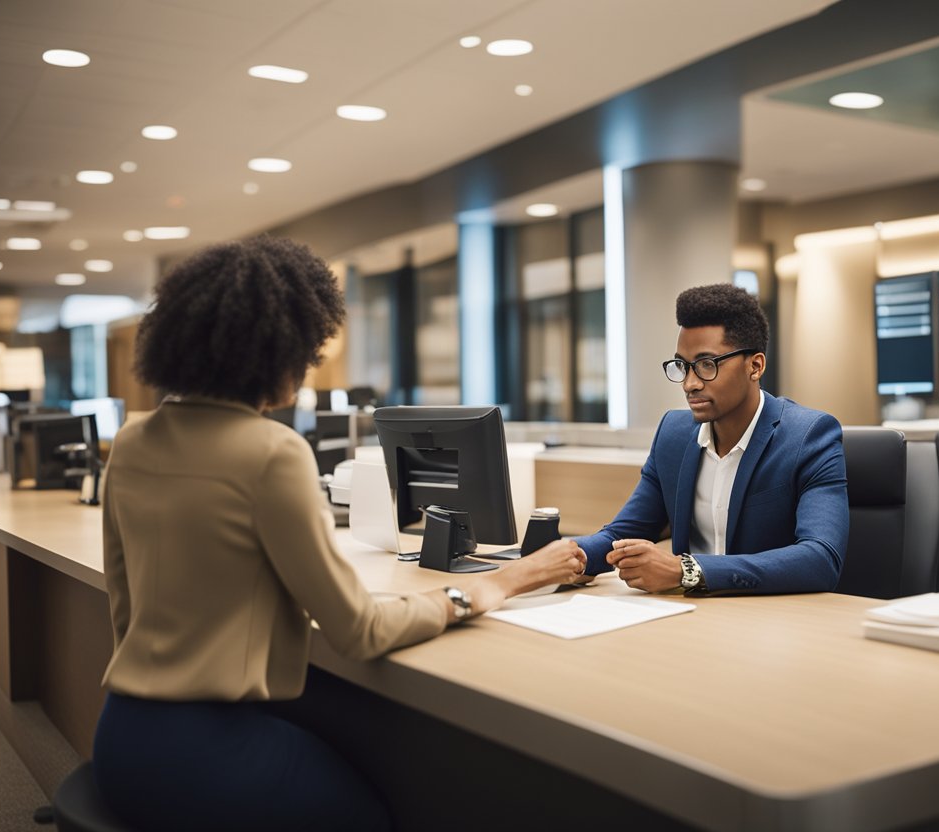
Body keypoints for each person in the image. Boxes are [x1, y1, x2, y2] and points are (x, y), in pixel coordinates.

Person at [93, 236, 585, 832]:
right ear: (271, 348)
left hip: (121, 740)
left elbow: (126, 611)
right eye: (304, 350)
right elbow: (359, 631)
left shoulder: (132, 441)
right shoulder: (272, 451)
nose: (307, 367)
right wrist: (498, 585)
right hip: (208, 752)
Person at [574, 283, 849, 594]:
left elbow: (821, 559)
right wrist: (572, 557)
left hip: (774, 625)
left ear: (755, 366)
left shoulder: (809, 436)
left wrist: (687, 570)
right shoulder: (673, 435)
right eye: (683, 366)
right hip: (690, 617)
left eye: (707, 365)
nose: (690, 384)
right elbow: (622, 532)